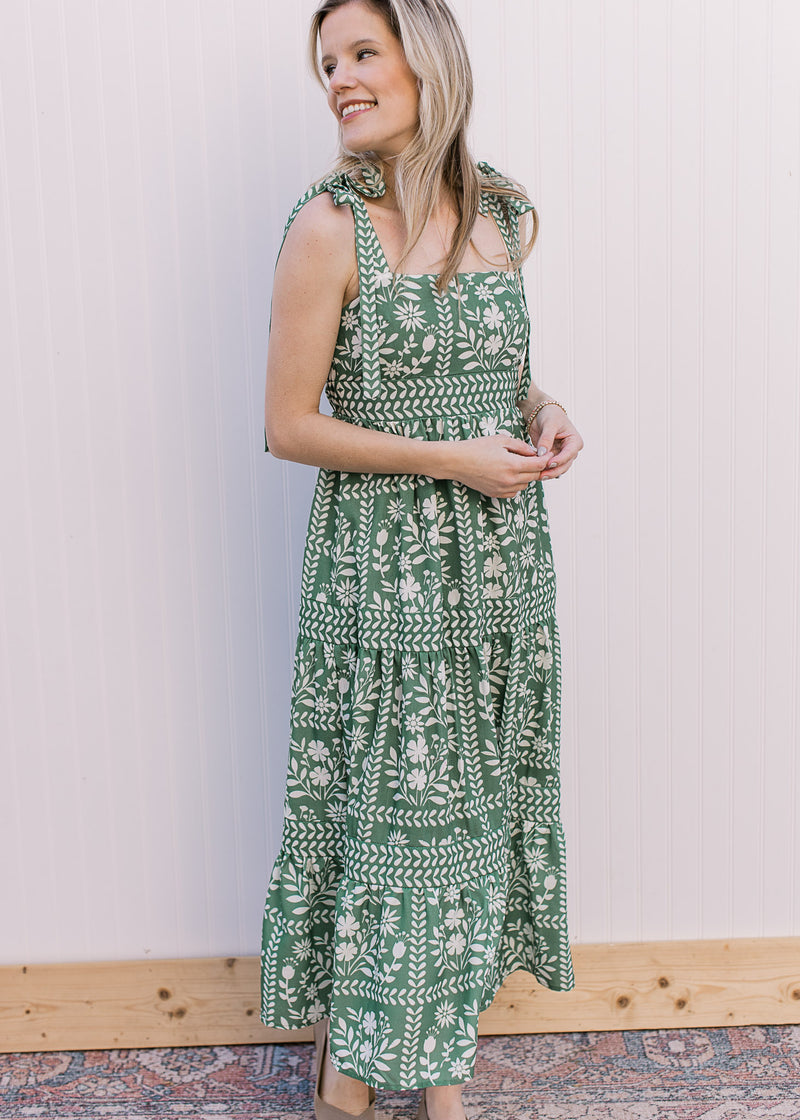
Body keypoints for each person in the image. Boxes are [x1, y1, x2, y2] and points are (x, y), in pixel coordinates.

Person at [259, 1, 584, 1118]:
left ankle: (437, 1074)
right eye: (327, 65)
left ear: (425, 63)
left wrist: (544, 413)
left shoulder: (501, 210)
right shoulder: (325, 229)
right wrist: (444, 458)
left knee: (471, 824)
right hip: (383, 578)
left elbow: (504, 374)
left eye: (360, 54)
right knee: (396, 834)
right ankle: (351, 1088)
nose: (339, 79)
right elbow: (288, 424)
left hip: (497, 570)